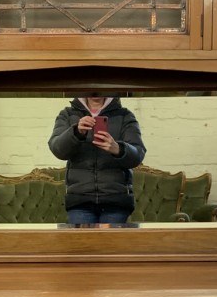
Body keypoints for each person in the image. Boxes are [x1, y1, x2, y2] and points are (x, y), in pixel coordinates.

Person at [48, 93, 146, 224]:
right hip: (80, 200)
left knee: (111, 244)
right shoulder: (68, 114)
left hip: (115, 199)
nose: (95, 90)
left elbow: (138, 155)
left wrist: (117, 148)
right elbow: (58, 149)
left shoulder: (124, 115)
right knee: (82, 244)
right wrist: (76, 132)